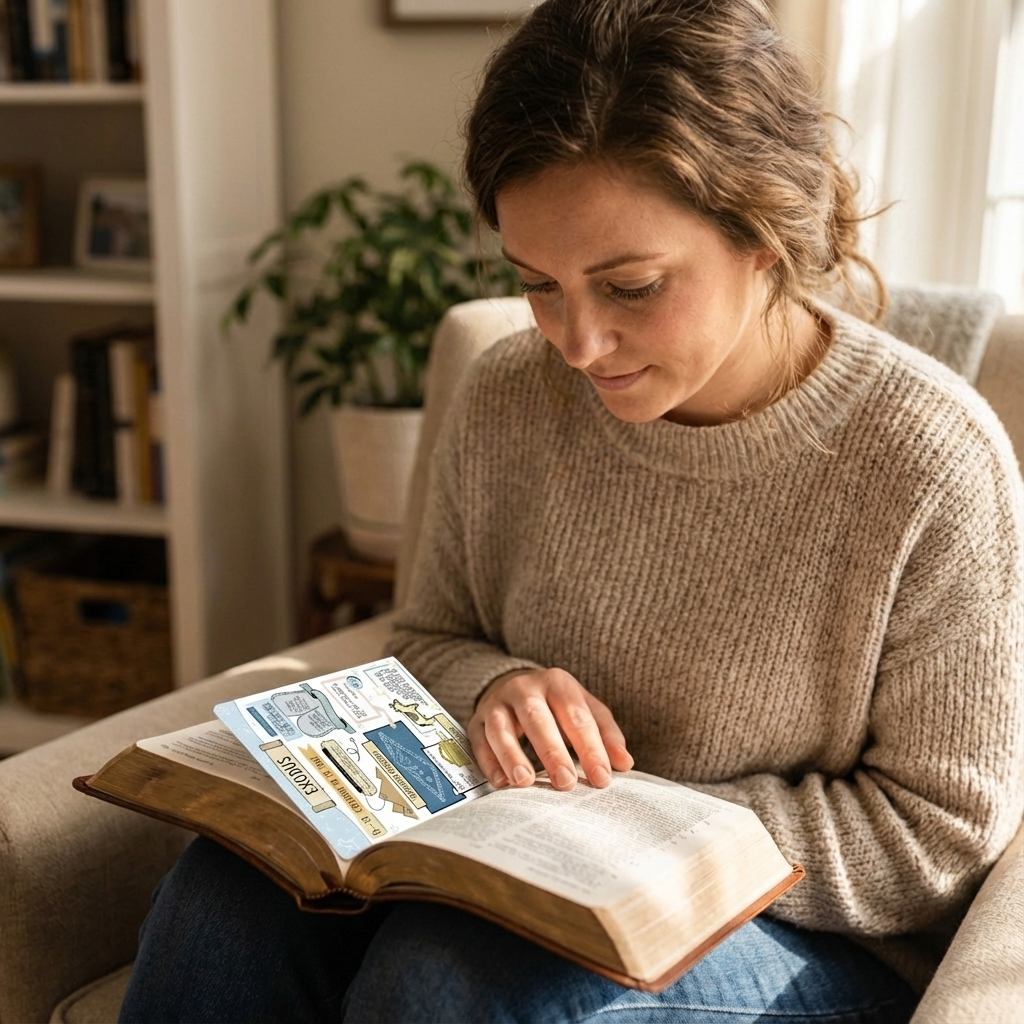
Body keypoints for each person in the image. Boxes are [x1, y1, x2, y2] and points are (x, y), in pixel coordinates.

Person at [119, 1, 1023, 1022]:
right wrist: (494, 682)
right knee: (220, 896)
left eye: (630, 285)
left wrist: (634, 828)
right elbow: (428, 635)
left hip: (803, 937)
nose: (578, 343)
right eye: (538, 285)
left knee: (443, 975)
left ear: (767, 231)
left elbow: (938, 835)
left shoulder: (928, 460)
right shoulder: (509, 393)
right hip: (516, 862)